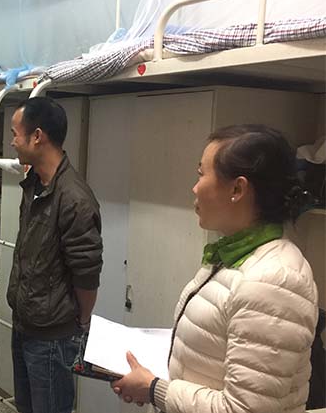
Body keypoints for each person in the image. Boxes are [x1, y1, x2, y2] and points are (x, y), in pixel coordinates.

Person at [111, 124, 318, 413]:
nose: (195, 188)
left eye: (201, 174)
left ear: (237, 189)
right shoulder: (232, 256)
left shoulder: (271, 281)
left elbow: (244, 409)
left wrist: (155, 389)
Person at [8, 96, 103, 413]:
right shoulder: (35, 183)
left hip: (52, 336)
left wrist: (81, 320)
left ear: (37, 136)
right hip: (25, 324)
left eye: (16, 134)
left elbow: (86, 274)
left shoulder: (74, 198)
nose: (12, 142)